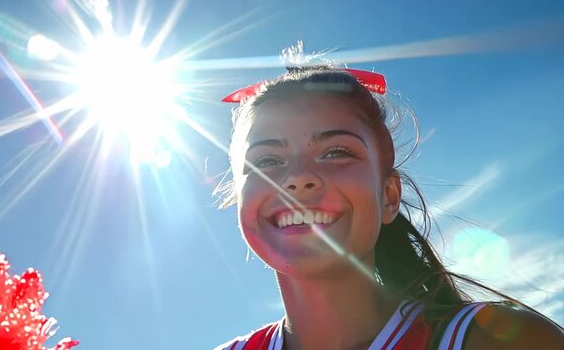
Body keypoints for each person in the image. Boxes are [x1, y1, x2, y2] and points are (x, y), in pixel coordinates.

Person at [213, 64, 564, 349]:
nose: (298, 177)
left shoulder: (497, 341)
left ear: (389, 197)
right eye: (266, 160)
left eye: (336, 152)